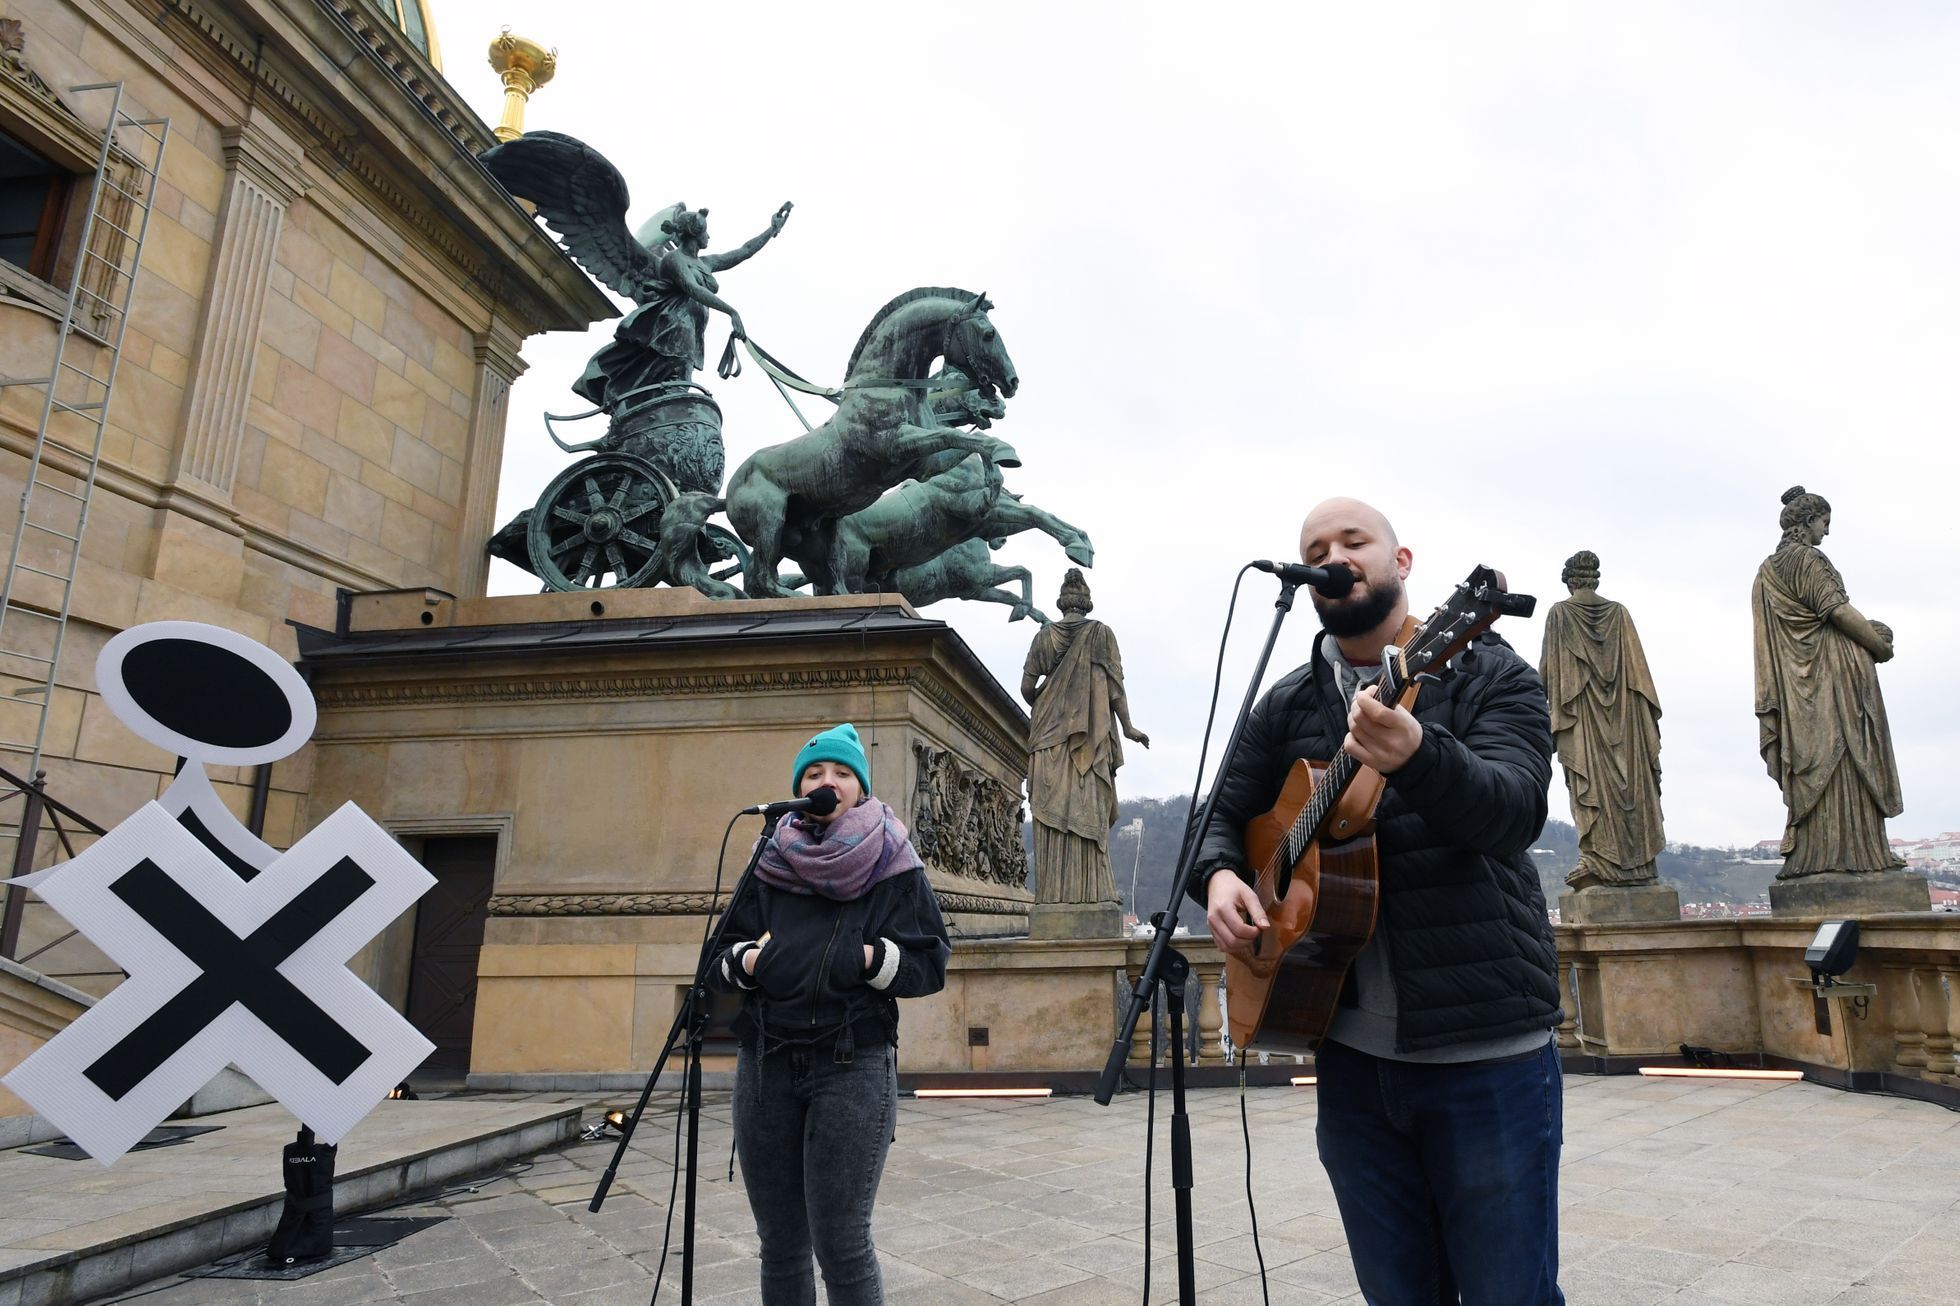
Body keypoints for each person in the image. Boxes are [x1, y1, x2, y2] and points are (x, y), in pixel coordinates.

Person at [1194, 498, 1564, 1305]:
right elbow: (1215, 815)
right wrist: (1221, 876)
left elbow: (1512, 813)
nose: (1335, 555)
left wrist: (1422, 757)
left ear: (1401, 563)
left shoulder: (1487, 669)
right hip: (1349, 1054)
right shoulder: (1288, 702)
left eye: (1353, 541)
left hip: (1486, 1049)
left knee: (1511, 1293)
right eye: (1316, 547)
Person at [708, 723, 949, 1306]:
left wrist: (867, 958)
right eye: (814, 774)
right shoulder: (767, 857)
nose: (827, 782)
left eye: (841, 773)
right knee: (781, 1244)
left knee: (841, 1241)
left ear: (861, 789)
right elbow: (717, 961)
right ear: (798, 788)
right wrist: (749, 960)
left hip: (853, 1064)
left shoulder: (894, 860)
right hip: (765, 1064)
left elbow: (930, 964)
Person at [1751, 485, 1903, 875]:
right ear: (1807, 522)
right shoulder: (1808, 560)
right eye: (1824, 522)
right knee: (1847, 759)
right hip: (1831, 677)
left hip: (1796, 685)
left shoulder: (1766, 572)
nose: (1827, 531)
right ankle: (1855, 853)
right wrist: (1877, 644)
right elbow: (1837, 610)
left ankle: (1820, 852)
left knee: (1816, 763)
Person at [1021, 568, 1150, 909]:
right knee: (1087, 812)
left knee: (1050, 818)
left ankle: (1051, 898)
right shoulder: (1102, 634)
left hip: (1047, 739)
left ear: (1062, 603)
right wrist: (1128, 727)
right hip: (1087, 741)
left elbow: (1026, 689)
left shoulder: (1043, 637)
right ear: (1086, 603)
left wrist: (1050, 701)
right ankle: (1093, 894)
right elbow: (1114, 688)